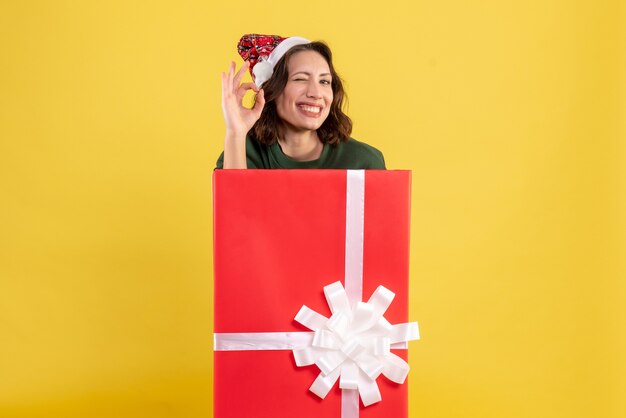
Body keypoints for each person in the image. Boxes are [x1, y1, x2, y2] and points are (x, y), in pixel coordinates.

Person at [216, 34, 385, 169]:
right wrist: (235, 132)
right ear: (271, 89)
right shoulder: (243, 153)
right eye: (301, 79)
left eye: (324, 81)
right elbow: (233, 211)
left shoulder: (363, 162)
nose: (316, 93)